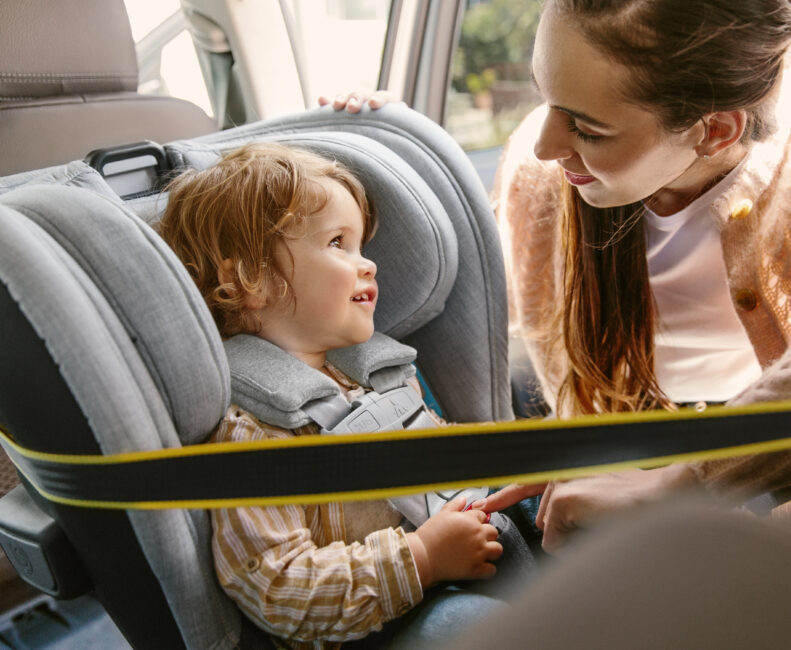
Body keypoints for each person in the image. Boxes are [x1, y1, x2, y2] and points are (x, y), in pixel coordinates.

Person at [472, 0, 791, 550]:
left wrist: (688, 479)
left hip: (786, 453)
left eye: (588, 129)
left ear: (714, 131)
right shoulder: (538, 171)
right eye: (545, 96)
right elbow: (490, 316)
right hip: (620, 438)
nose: (545, 146)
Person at [159, 142, 522, 648]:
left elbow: (432, 448)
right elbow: (278, 586)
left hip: (451, 556)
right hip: (377, 628)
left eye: (362, 246)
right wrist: (423, 558)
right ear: (249, 279)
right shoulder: (251, 435)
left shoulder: (373, 373)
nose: (368, 264)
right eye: (337, 243)